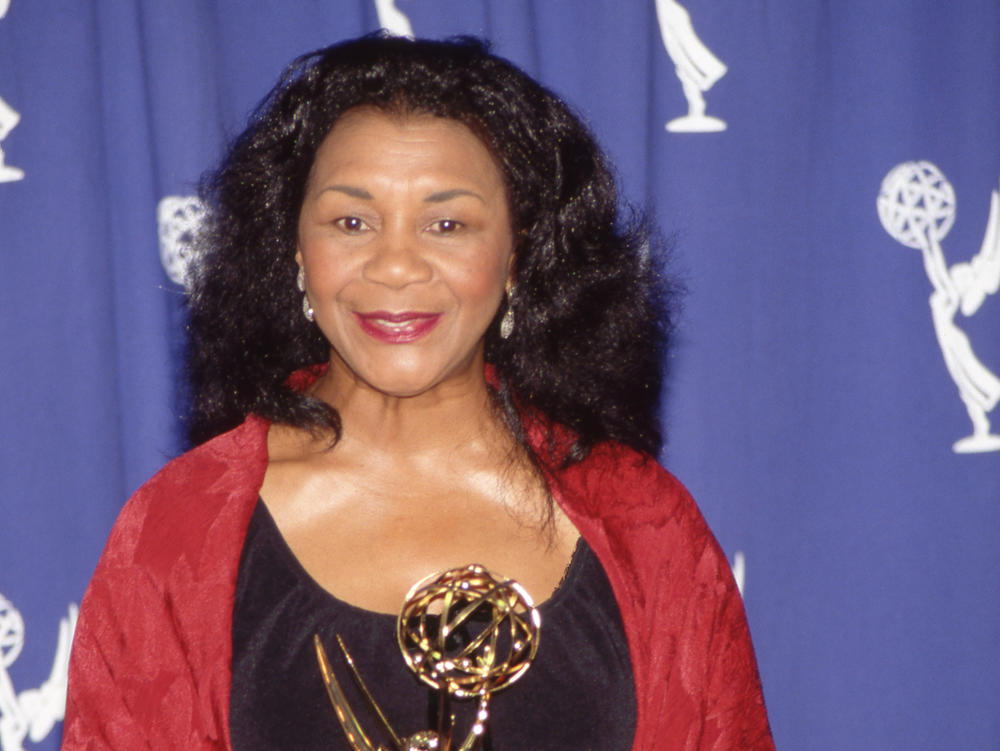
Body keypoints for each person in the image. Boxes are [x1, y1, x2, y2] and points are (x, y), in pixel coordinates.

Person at [62, 34, 774, 751]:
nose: (396, 265)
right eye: (351, 221)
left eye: (447, 223)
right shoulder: (177, 529)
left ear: (517, 253)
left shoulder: (646, 523)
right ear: (295, 250)